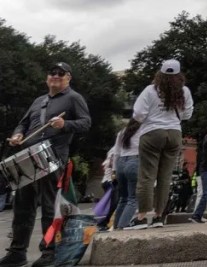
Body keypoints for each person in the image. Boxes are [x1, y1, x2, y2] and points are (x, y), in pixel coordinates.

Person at [1, 61, 91, 267]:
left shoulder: (74, 98)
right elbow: (23, 123)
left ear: (69, 78)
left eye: (62, 73)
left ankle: (49, 252)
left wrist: (65, 124)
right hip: (28, 157)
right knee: (22, 207)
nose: (56, 76)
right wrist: (18, 134)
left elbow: (86, 123)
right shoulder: (39, 100)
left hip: (53, 157)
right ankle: (17, 252)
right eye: (53, 72)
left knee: (50, 208)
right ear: (47, 77)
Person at [124, 59, 194, 229]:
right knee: (165, 176)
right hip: (174, 133)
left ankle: (141, 217)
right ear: (179, 75)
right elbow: (187, 115)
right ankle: (159, 216)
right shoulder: (184, 91)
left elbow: (139, 113)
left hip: (152, 133)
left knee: (147, 175)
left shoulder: (150, 90)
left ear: (160, 73)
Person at [110, 119, 142, 230]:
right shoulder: (144, 130)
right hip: (135, 161)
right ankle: (122, 227)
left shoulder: (122, 132)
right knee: (132, 199)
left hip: (120, 163)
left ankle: (115, 227)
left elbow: (116, 152)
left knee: (123, 198)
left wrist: (114, 170)